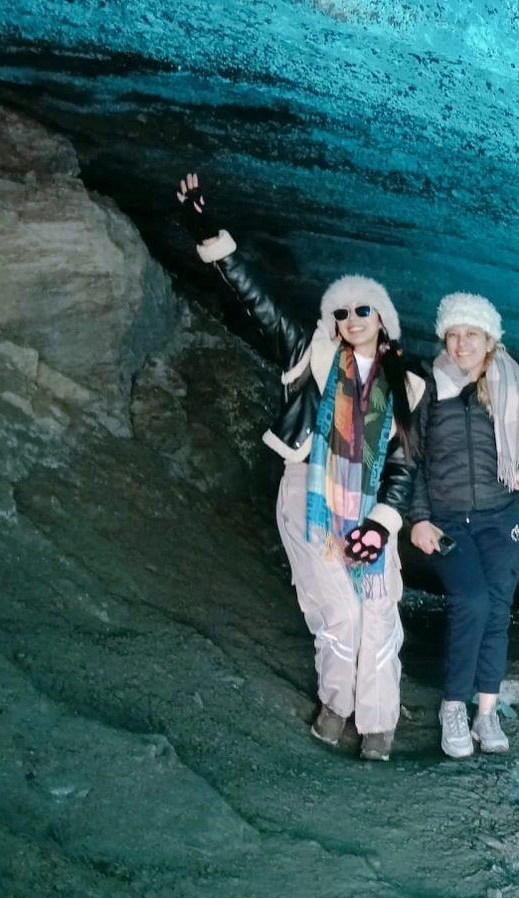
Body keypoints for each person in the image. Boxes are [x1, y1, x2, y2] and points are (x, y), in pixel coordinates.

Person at [174, 173, 426, 761]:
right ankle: (337, 706)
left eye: (364, 309)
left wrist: (382, 525)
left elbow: (402, 465)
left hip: (373, 511)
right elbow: (254, 297)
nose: (352, 318)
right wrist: (204, 229)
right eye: (342, 311)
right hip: (306, 494)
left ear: (383, 320)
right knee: (337, 609)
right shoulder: (309, 359)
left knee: (379, 609)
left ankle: (380, 722)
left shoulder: (406, 387)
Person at [409, 293, 519, 757]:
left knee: (496, 611)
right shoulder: (425, 386)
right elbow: (411, 456)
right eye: (454, 334)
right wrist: (419, 518)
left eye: (472, 334)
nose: (462, 344)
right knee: (471, 600)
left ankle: (486, 713)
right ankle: (453, 708)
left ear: (489, 340)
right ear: (444, 337)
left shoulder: (510, 385)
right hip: (447, 519)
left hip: (503, 519)